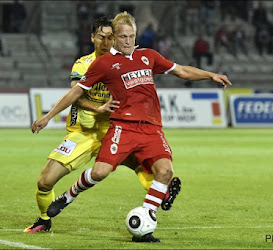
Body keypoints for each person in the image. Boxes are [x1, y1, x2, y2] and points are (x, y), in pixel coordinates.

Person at [31, 12, 231, 242]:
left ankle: (145, 223)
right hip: (121, 127)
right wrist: (48, 117)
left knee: (164, 171)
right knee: (99, 172)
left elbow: (181, 70)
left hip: (152, 128)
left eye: (132, 36)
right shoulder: (102, 64)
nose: (128, 41)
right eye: (123, 37)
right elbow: (76, 92)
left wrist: (211, 75)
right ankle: (68, 197)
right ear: (114, 37)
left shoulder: (148, 56)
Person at [24, 16, 155, 234]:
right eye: (101, 37)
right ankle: (45, 220)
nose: (106, 43)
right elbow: (75, 94)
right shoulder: (83, 64)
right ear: (92, 37)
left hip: (114, 131)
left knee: (145, 166)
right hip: (83, 134)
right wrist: (48, 117)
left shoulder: (125, 62)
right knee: (45, 181)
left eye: (110, 38)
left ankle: (158, 200)